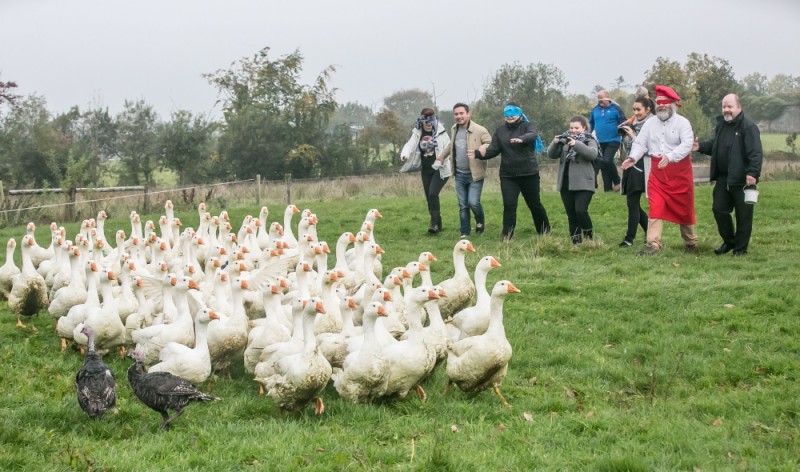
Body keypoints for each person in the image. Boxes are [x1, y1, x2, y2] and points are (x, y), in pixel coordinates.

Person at [621, 85, 697, 255]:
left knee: (684, 208)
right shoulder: (650, 123)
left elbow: (687, 145)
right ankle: (652, 244)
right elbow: (640, 143)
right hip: (657, 171)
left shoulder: (683, 123)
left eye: (665, 102)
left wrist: (670, 157)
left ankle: (690, 243)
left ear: (673, 105)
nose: (662, 106)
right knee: (656, 205)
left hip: (679, 171)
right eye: (659, 103)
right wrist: (633, 157)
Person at [468, 102, 550, 241]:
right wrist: (478, 154)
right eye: (507, 114)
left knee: (534, 204)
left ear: (519, 113)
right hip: (508, 175)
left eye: (513, 113)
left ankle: (544, 231)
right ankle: (507, 236)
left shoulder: (528, 126)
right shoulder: (500, 131)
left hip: (529, 173)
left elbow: (532, 135)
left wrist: (522, 139)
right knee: (509, 205)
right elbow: (494, 149)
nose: (510, 116)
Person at [693, 94, 763, 256]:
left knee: (743, 216)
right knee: (719, 209)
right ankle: (730, 241)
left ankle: (740, 248)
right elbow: (716, 146)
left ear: (739, 107)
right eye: (724, 106)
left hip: (743, 180)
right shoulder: (721, 125)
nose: (726, 110)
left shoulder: (748, 127)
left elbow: (755, 153)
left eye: (730, 106)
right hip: (723, 178)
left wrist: (753, 173)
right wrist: (700, 146)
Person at [439, 103, 492, 238]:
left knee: (473, 202)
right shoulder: (454, 129)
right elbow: (452, 144)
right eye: (456, 114)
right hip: (459, 174)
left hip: (475, 174)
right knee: (463, 205)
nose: (459, 116)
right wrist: (442, 156)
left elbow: (490, 143)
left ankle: (480, 221)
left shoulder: (480, 130)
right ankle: (465, 232)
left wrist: (481, 149)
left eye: (462, 113)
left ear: (469, 114)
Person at [547, 116, 599, 245]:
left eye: (577, 128)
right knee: (571, 214)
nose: (573, 130)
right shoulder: (565, 140)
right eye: (571, 128)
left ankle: (589, 238)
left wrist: (576, 144)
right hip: (566, 183)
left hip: (584, 182)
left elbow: (592, 154)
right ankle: (576, 241)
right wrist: (555, 142)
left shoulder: (589, 139)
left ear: (584, 128)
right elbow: (551, 155)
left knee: (580, 210)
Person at [400, 107, 451, 234]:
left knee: (433, 193)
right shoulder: (417, 132)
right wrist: (405, 154)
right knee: (429, 197)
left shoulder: (441, 131)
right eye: (426, 122)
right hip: (426, 169)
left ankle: (433, 224)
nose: (428, 125)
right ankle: (437, 224)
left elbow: (449, 147)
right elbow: (410, 145)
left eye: (430, 122)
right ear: (421, 121)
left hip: (441, 169)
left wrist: (443, 158)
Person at [617, 96, 655, 247]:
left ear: (648, 109)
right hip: (631, 164)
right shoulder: (633, 123)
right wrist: (626, 133)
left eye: (638, 109)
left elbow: (649, 147)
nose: (636, 112)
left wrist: (633, 136)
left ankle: (629, 238)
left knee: (633, 202)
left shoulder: (652, 125)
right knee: (632, 202)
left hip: (643, 166)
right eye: (634, 109)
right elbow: (628, 146)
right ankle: (649, 233)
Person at [589, 90, 627, 192]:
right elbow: (591, 124)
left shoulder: (616, 109)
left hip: (613, 139)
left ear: (608, 97)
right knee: (604, 164)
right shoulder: (595, 110)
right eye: (598, 98)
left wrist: (622, 131)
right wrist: (588, 135)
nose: (600, 101)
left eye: (602, 98)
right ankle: (608, 189)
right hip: (600, 141)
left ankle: (618, 181)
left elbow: (624, 122)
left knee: (607, 160)